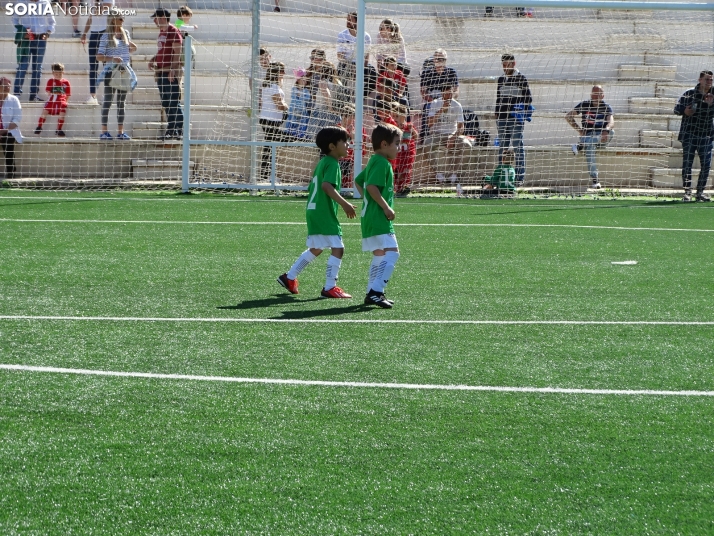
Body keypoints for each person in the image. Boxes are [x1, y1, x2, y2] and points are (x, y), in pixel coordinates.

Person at [277, 126, 357, 298]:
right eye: (344, 141)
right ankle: (329, 287)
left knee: (317, 247)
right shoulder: (333, 164)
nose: (348, 145)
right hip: (323, 213)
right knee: (338, 248)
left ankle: (289, 277)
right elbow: (326, 186)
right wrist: (345, 204)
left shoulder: (323, 163)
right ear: (332, 146)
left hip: (313, 211)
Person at [354, 123, 402, 309]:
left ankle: (371, 292)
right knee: (393, 253)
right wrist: (385, 207)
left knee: (380, 255)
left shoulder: (374, 160)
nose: (398, 148)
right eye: (396, 143)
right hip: (378, 218)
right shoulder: (382, 163)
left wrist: (369, 202)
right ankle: (376, 291)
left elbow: (359, 182)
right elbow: (371, 187)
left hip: (369, 218)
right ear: (384, 144)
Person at [674, 70, 714, 202]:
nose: (709, 82)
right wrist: (685, 111)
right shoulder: (689, 94)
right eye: (707, 79)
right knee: (687, 163)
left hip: (706, 135)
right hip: (689, 134)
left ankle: (700, 192)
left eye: (711, 79)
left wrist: (710, 105)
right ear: (700, 80)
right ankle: (687, 192)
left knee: (706, 165)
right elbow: (676, 109)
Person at [96, 13, 137, 140]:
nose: (123, 20)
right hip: (111, 72)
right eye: (120, 18)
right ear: (113, 20)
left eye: (123, 18)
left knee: (121, 103)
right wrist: (113, 58)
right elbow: (98, 56)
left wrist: (131, 48)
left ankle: (120, 132)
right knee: (108, 101)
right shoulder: (105, 36)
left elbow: (128, 48)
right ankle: (104, 132)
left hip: (124, 72)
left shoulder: (126, 34)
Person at [565, 85, 615, 190]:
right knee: (590, 147)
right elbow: (568, 116)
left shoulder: (606, 107)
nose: (596, 96)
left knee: (612, 132)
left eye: (599, 94)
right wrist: (579, 129)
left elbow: (611, 121)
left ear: (603, 95)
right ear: (591, 95)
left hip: (602, 137)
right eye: (594, 94)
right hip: (588, 135)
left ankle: (580, 146)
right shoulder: (584, 104)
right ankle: (595, 179)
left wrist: (606, 130)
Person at [495, 53, 532, 184]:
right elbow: (498, 98)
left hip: (516, 119)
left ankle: (519, 177)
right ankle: (501, 175)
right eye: (503, 65)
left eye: (508, 65)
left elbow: (529, 98)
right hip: (502, 119)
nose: (506, 68)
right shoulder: (501, 80)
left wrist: (518, 107)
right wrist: (497, 114)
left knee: (517, 146)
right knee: (502, 147)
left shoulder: (521, 78)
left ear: (514, 64)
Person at [423, 85, 472, 184]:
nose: (449, 95)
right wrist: (441, 110)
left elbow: (461, 127)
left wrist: (453, 137)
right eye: (447, 93)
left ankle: (454, 173)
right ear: (442, 93)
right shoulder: (435, 103)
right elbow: (430, 123)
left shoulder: (457, 105)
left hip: (452, 134)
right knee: (426, 144)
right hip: (437, 134)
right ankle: (438, 173)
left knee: (467, 145)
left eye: (451, 93)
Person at [148, 8, 184, 140]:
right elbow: (163, 50)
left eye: (156, 17)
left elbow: (177, 52)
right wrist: (153, 59)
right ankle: (171, 129)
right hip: (161, 71)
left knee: (174, 101)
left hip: (170, 71)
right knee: (166, 102)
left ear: (162, 17)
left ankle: (179, 130)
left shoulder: (173, 31)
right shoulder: (161, 32)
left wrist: (173, 70)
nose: (154, 21)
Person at [12, 0, 56, 102]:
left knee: (37, 68)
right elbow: (14, 20)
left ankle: (34, 95)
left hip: (41, 39)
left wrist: (48, 32)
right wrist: (21, 33)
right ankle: (17, 94)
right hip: (27, 40)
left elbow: (52, 21)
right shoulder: (21, 2)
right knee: (23, 66)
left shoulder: (45, 3)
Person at [419, 49, 458, 142]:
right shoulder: (427, 73)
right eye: (437, 58)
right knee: (428, 108)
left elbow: (456, 91)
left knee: (457, 107)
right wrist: (434, 102)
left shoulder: (451, 72)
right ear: (434, 60)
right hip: (432, 101)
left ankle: (452, 136)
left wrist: (448, 100)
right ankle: (425, 136)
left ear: (446, 60)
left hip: (448, 100)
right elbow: (423, 92)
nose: (440, 61)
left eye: (442, 59)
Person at [80, 0, 115, 105]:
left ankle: (107, 96)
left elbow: (100, 10)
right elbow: (91, 17)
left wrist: (96, 3)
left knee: (107, 66)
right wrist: (85, 33)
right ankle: (92, 95)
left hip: (105, 33)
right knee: (93, 66)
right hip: (94, 34)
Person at [259, 62, 288, 180]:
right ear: (277, 72)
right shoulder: (273, 87)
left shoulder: (268, 86)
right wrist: (287, 106)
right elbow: (280, 106)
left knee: (270, 146)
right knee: (270, 147)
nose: (284, 74)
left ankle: (266, 174)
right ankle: (267, 175)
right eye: (282, 71)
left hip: (269, 119)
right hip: (271, 120)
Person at [304, 62, 343, 141]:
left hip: (322, 113)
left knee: (317, 137)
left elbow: (327, 94)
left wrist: (330, 108)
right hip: (336, 113)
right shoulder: (338, 82)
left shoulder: (323, 82)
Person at [34, 63, 70, 137]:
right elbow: (48, 91)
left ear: (63, 72)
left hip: (61, 101)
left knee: (62, 114)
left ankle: (59, 129)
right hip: (52, 100)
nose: (58, 76)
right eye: (56, 74)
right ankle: (39, 126)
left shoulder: (66, 82)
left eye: (60, 74)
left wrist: (66, 101)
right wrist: (53, 91)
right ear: (53, 73)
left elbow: (68, 94)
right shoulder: (51, 81)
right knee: (44, 112)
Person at [336, 11, 371, 85]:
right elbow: (339, 56)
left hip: (361, 64)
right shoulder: (342, 35)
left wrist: (361, 68)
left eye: (350, 20)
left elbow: (367, 56)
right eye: (347, 19)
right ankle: (342, 94)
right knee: (340, 74)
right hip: (346, 63)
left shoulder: (366, 36)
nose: (347, 21)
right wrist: (350, 66)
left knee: (372, 73)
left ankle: (364, 96)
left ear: (358, 21)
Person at [0, 77, 23, 179]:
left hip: (9, 131)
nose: (7, 88)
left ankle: (11, 173)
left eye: (8, 86)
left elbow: (17, 119)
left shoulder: (14, 99)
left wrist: (2, 131)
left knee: (8, 140)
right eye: (4, 86)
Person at [393, 103, 417, 196]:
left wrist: (413, 131)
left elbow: (416, 137)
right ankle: (396, 188)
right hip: (398, 153)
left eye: (397, 116)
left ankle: (404, 188)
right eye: (394, 116)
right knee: (397, 171)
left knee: (406, 171)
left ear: (403, 116)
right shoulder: (395, 127)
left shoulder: (409, 126)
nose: (395, 118)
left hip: (408, 152)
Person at [283, 68, 312, 141]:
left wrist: (301, 95)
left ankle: (300, 136)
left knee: (302, 123)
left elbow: (307, 98)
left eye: (305, 80)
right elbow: (294, 97)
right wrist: (300, 95)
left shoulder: (306, 90)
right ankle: (290, 136)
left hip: (302, 110)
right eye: (303, 79)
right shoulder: (294, 89)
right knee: (292, 122)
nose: (305, 81)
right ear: (298, 80)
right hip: (294, 109)